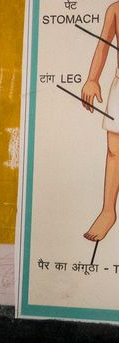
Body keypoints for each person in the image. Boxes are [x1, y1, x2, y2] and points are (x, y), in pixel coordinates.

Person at [80, 1, 119, 242]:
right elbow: (103, 45)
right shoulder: (116, 10)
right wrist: (92, 79)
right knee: (115, 150)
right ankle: (108, 211)